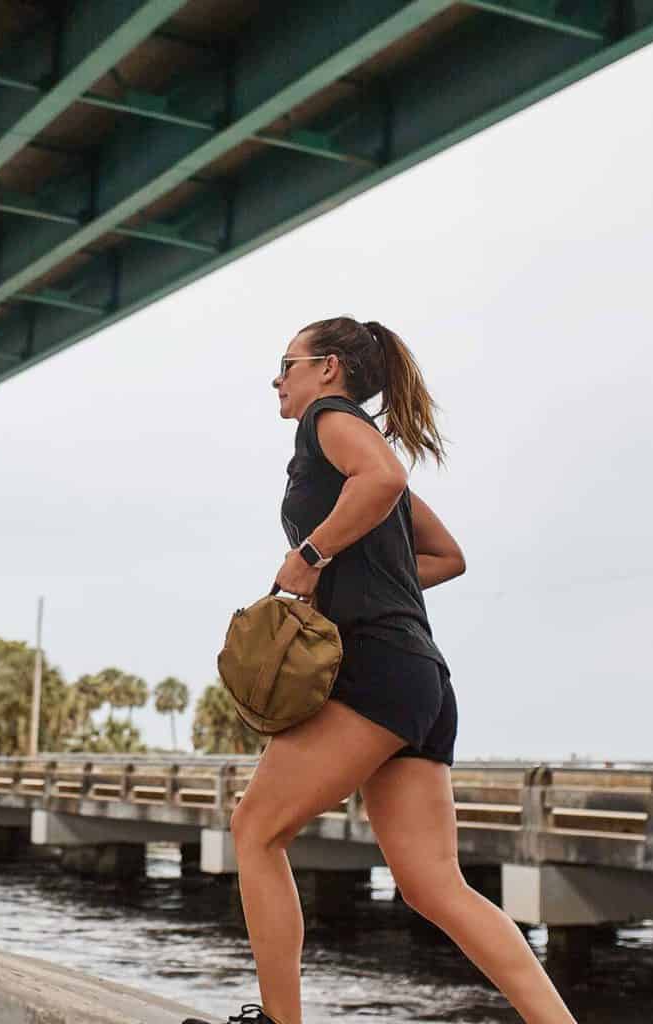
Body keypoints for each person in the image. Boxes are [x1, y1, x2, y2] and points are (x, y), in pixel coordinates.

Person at [184, 318, 577, 1024]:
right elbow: (445, 555)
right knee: (434, 886)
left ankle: (280, 1023)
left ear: (328, 368)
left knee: (255, 830)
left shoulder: (328, 422)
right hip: (420, 678)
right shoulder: (349, 444)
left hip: (374, 671)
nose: (277, 378)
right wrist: (363, 581)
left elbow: (387, 477)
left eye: (287, 363)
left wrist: (310, 558)